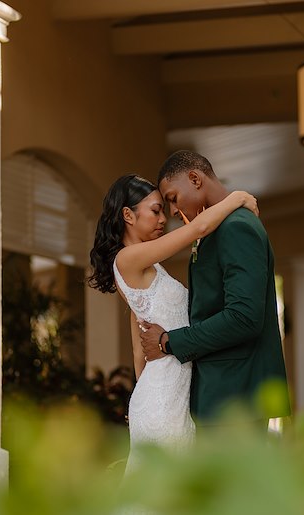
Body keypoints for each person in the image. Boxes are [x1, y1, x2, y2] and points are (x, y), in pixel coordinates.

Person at [88, 174, 259, 472]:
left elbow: (138, 338)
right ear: (128, 214)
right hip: (164, 400)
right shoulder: (128, 259)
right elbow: (198, 229)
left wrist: (145, 391)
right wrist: (238, 198)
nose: (162, 219)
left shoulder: (144, 266)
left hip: (165, 396)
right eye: (155, 210)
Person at [140, 150, 290, 430]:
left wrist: (169, 342)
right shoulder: (214, 229)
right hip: (221, 393)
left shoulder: (237, 228)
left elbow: (243, 317)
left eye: (172, 198)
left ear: (195, 179)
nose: (173, 211)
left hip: (236, 396)